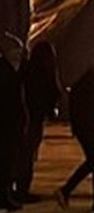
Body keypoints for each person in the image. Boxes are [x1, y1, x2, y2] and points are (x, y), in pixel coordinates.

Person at [56, 51, 94, 213]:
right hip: (93, 131)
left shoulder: (82, 83)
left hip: (86, 131)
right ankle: (69, 191)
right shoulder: (93, 84)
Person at [14, 41, 61, 203]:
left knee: (22, 155)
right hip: (34, 119)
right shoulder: (45, 73)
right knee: (28, 156)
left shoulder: (26, 71)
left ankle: (15, 189)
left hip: (23, 119)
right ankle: (22, 190)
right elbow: (53, 95)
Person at [0, 33, 26, 212]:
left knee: (9, 164)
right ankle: (4, 197)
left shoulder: (12, 71)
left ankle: (6, 195)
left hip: (11, 126)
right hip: (6, 127)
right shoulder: (6, 73)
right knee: (5, 164)